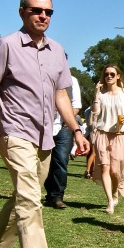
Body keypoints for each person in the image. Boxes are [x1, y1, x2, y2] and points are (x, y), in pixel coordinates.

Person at [0, 0, 90, 248]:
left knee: (23, 199)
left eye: (49, 12)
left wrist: (76, 131)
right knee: (31, 202)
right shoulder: (7, 44)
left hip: (44, 138)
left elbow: (61, 96)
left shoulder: (57, 51)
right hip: (14, 133)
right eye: (38, 10)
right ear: (22, 12)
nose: (44, 16)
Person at [90, 64, 124, 214]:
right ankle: (110, 200)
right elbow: (95, 113)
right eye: (106, 74)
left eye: (112, 74)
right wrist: (96, 93)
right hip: (102, 134)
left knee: (116, 170)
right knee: (104, 167)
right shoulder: (102, 95)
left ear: (118, 76)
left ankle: (115, 193)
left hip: (119, 135)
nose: (108, 76)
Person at [43, 61, 82, 209]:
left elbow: (76, 105)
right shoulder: (42, 78)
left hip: (64, 127)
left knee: (61, 161)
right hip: (43, 126)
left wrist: (68, 119)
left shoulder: (72, 81)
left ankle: (57, 196)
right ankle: (48, 193)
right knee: (44, 161)